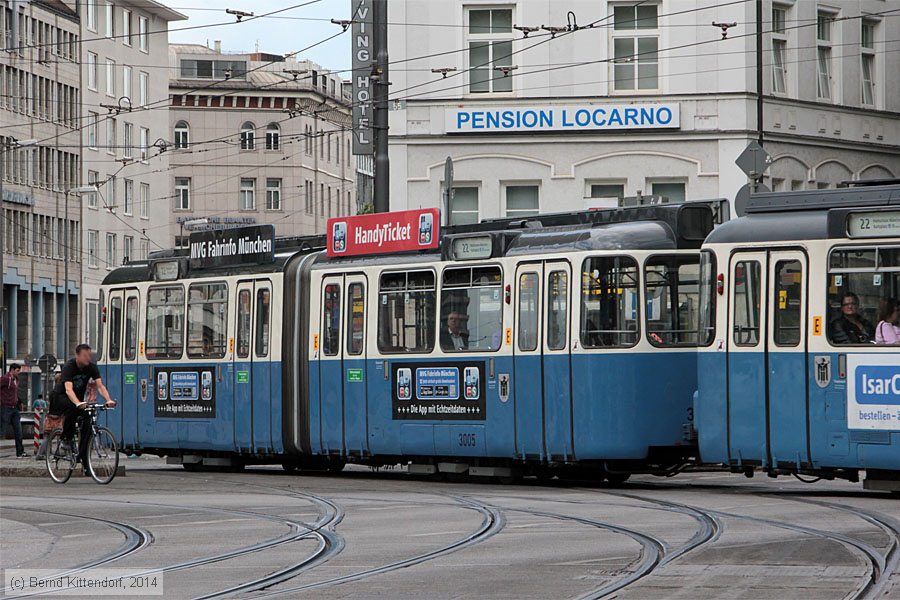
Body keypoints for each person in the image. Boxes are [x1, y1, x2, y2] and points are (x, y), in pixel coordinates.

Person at [50, 344, 116, 463]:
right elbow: (68, 390)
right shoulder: (69, 367)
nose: (88, 358)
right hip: (61, 396)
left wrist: (108, 400)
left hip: (79, 399)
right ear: (77, 356)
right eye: (85, 356)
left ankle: (83, 456)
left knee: (88, 420)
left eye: (89, 355)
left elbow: (100, 386)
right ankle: (66, 439)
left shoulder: (91, 368)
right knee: (72, 409)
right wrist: (78, 403)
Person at [1, 364, 27, 458]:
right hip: (5, 408)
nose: (18, 373)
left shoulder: (16, 380)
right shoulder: (4, 379)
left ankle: (20, 452)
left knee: (18, 431)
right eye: (17, 371)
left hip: (15, 408)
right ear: (12, 370)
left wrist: (19, 402)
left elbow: (14, 393)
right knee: (1, 430)